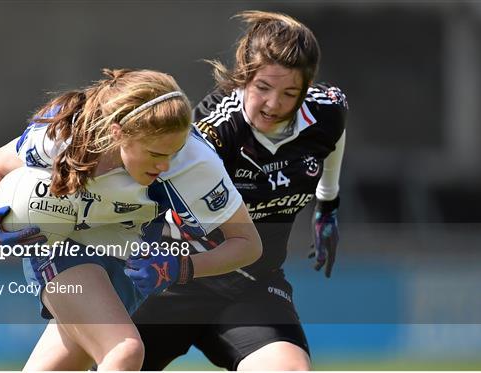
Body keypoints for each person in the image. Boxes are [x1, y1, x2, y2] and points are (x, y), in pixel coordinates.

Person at [0, 68, 262, 371]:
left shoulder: (195, 161)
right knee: (124, 351)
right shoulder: (66, 134)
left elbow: (247, 244)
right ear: (118, 132)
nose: (165, 164)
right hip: (62, 246)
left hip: (129, 258)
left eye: (174, 152)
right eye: (154, 153)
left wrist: (181, 268)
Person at [133, 11, 347, 371]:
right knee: (112, 361)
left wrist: (328, 203)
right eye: (263, 87)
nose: (274, 104)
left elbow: (334, 138)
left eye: (290, 92)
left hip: (252, 286)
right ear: (243, 75)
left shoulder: (327, 110)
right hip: (170, 279)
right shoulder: (212, 132)